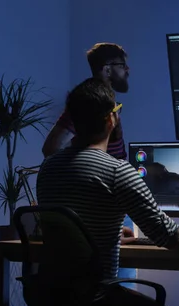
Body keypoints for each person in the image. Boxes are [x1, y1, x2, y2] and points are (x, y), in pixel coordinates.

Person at [36, 78, 179, 306]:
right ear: (110, 119)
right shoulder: (116, 171)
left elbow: (69, 230)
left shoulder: (48, 169)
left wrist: (102, 234)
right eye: (117, 110)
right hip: (96, 300)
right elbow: (168, 235)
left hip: (50, 299)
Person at [41, 42, 135, 244]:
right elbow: (50, 148)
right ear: (107, 69)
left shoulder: (109, 104)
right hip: (100, 210)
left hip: (115, 205)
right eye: (122, 65)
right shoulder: (87, 106)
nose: (127, 70)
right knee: (114, 274)